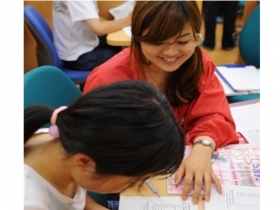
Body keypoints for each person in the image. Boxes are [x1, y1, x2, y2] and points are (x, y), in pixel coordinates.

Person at [83, 1, 239, 204]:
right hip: (129, 179)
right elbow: (95, 148)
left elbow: (215, 114)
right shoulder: (108, 79)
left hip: (177, 169)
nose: (171, 52)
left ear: (196, 36)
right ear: (137, 37)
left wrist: (202, 147)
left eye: (183, 41)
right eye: (158, 42)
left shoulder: (198, 62)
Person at [24, 80, 185, 210]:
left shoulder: (67, 144)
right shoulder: (28, 201)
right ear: (85, 162)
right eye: (131, 181)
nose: (137, 185)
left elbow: (75, 196)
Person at [52, 1, 132, 70]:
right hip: (77, 57)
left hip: (77, 44)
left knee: (119, 46)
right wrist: (127, 20)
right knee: (125, 58)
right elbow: (99, 29)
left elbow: (92, 17)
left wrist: (118, 23)